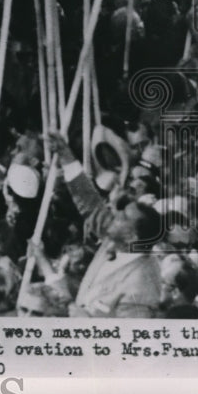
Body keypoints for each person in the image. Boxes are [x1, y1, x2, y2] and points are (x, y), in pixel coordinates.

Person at [48, 132, 164, 318]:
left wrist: (81, 317)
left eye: (123, 216)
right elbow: (90, 203)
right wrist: (66, 155)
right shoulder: (117, 239)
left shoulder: (142, 286)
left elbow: (125, 339)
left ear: (132, 236)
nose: (115, 213)